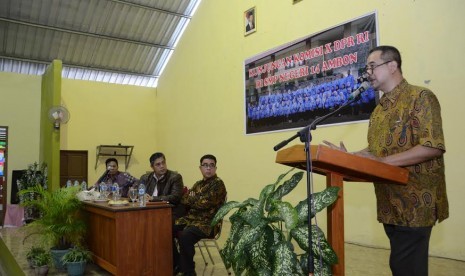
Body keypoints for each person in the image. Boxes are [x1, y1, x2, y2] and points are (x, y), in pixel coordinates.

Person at [323, 45, 449, 276]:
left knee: (406, 269)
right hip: (389, 203)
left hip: (416, 201)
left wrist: (383, 163)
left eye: (372, 66)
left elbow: (432, 146)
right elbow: (376, 152)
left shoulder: (420, 97)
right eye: (366, 67)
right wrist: (347, 158)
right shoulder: (379, 111)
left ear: (393, 66)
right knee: (402, 268)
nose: (368, 72)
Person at [173, 154, 227, 276]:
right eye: (205, 165)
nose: (208, 168)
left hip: (207, 224)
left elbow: (205, 204)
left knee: (185, 235)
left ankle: (189, 272)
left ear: (215, 168)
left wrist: (193, 199)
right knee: (167, 228)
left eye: (212, 165)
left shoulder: (218, 184)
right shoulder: (198, 184)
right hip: (191, 220)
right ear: (200, 168)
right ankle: (177, 264)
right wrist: (196, 199)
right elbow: (184, 200)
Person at [139, 152, 185, 219]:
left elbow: (175, 197)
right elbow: (139, 193)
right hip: (149, 210)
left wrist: (153, 198)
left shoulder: (175, 177)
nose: (162, 166)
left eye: (163, 163)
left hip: (170, 211)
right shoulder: (145, 178)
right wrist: (142, 195)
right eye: (158, 164)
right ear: (152, 167)